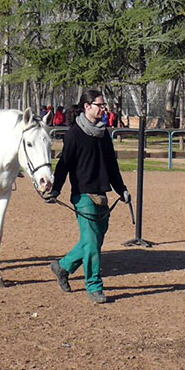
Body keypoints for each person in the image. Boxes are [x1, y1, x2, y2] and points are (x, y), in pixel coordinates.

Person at [45, 90, 130, 304]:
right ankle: (94, 286)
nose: (103, 108)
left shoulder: (104, 134)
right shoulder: (74, 134)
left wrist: (122, 189)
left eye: (104, 105)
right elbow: (64, 164)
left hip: (102, 195)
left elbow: (112, 166)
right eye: (100, 105)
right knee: (92, 243)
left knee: (93, 241)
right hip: (82, 196)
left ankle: (63, 267)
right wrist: (56, 189)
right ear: (87, 106)